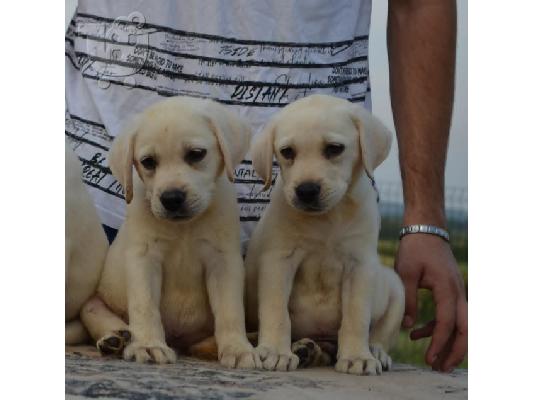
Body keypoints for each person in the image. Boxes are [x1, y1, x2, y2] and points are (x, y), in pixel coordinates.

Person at [65, 0, 466, 372]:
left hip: (261, 280)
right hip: (95, 220)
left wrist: (425, 219)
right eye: (149, 163)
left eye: (333, 149)